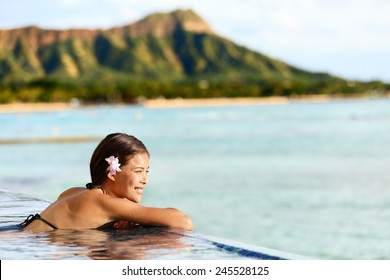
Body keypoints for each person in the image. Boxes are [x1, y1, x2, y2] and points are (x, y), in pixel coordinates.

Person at [19, 133, 193, 232]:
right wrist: (133, 216)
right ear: (111, 173)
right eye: (138, 171)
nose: (145, 180)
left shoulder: (72, 192)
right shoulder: (108, 204)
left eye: (146, 172)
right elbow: (184, 222)